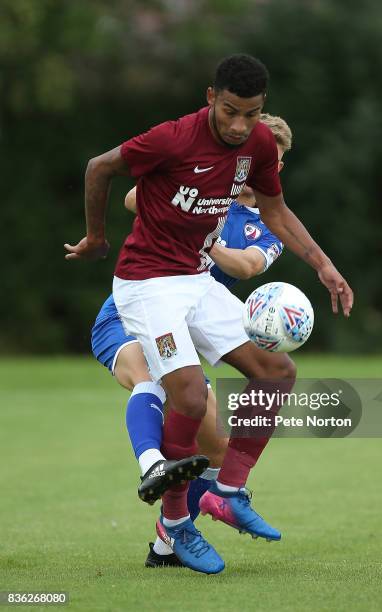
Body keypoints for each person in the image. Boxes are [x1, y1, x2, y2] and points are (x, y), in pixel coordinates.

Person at [65, 54, 353, 575]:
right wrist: (96, 237)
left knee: (277, 372)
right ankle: (174, 525)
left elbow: (276, 212)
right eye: (230, 112)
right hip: (147, 284)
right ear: (210, 99)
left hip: (195, 281)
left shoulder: (259, 146)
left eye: (251, 114)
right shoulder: (172, 138)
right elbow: (100, 168)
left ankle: (230, 490)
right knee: (189, 396)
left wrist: (326, 267)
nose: (240, 125)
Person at [91, 112, 290, 568]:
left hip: (186, 320)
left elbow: (247, 266)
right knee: (155, 383)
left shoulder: (264, 225)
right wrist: (190, 207)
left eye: (273, 163)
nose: (262, 169)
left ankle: (168, 541)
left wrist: (207, 238)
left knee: (215, 443)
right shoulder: (209, 185)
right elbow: (130, 197)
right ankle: (152, 466)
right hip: (130, 313)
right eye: (259, 159)